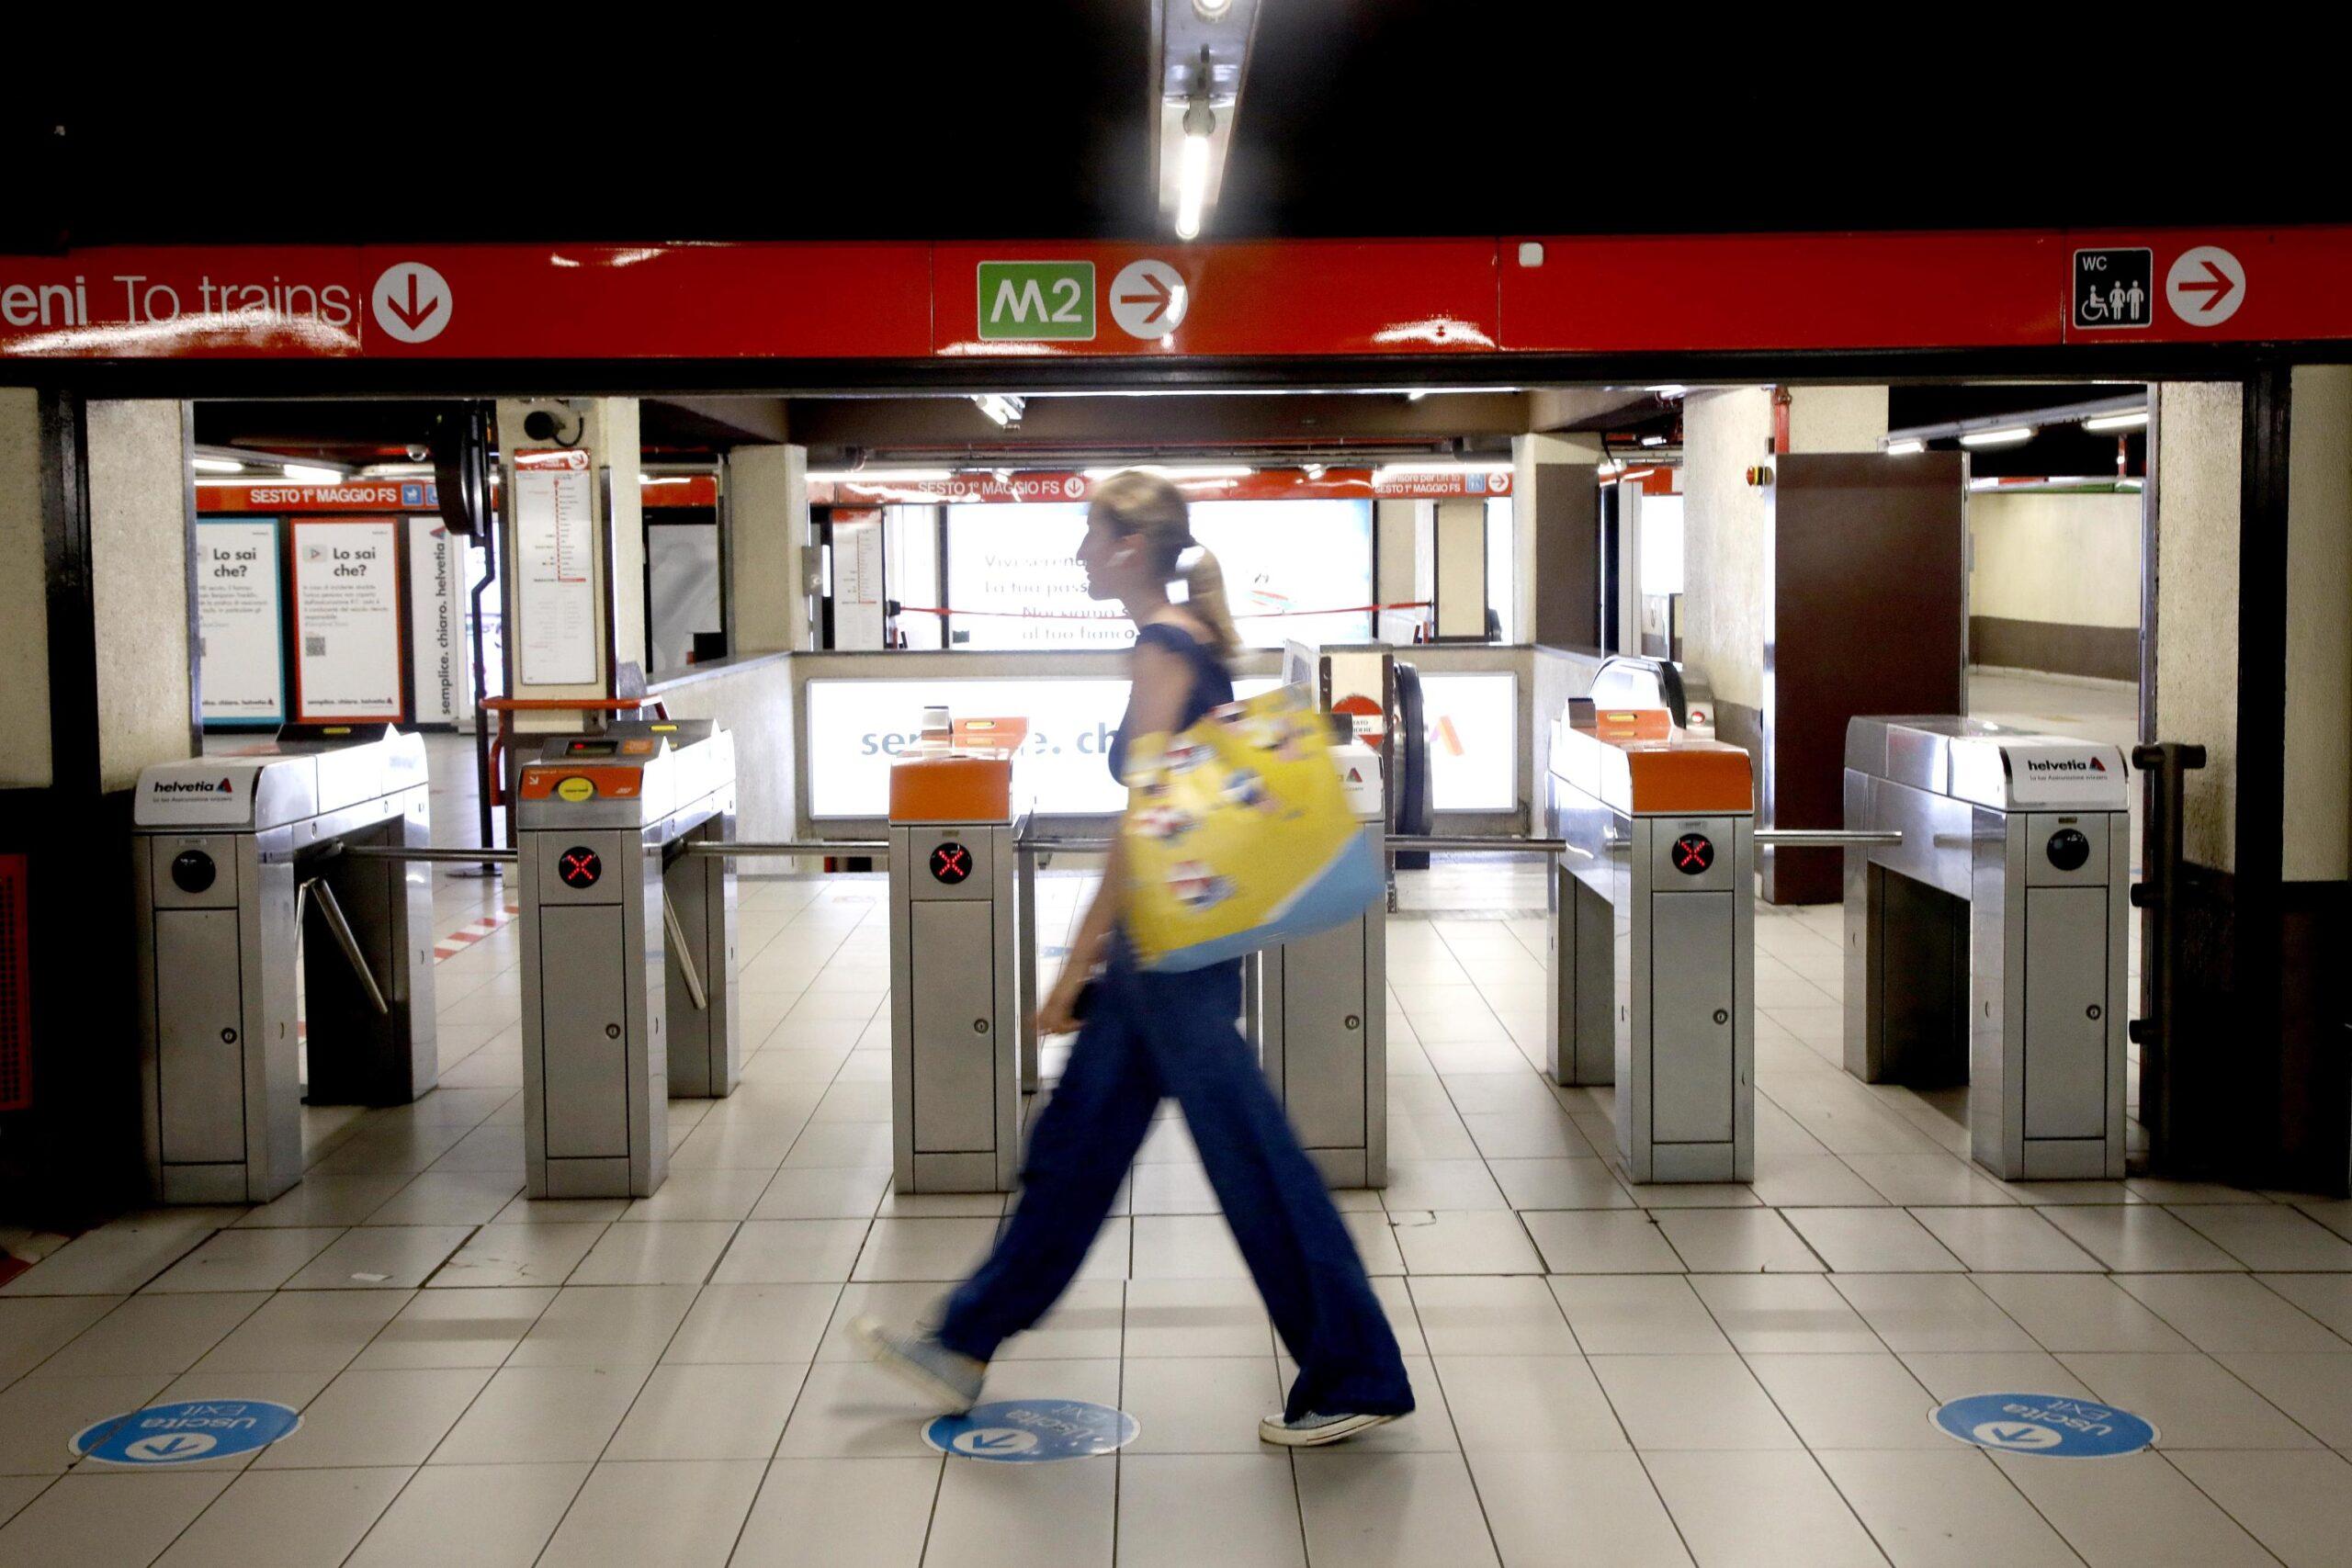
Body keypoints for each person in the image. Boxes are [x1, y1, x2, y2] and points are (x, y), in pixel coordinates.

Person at [854, 470, 1415, 1447]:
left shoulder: (1162, 646)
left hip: (1168, 955)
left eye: (1086, 535)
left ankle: (1353, 1369)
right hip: (1166, 949)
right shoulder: (1185, 640)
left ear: (1126, 547)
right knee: (1074, 1152)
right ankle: (963, 1339)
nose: (1075, 552)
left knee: (1253, 1156)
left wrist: (1077, 957)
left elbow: (1144, 821)